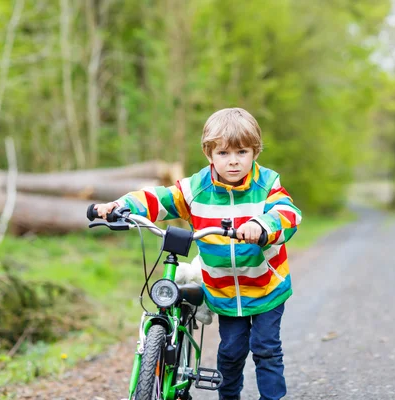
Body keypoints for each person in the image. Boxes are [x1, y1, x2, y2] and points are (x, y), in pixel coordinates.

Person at [94, 107, 301, 400]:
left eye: (241, 152)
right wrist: (121, 205)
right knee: (231, 352)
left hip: (266, 285)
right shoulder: (197, 189)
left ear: (255, 152)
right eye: (223, 153)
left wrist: (262, 224)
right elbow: (161, 198)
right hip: (225, 290)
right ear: (209, 154)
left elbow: (288, 213)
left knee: (266, 348)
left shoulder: (266, 185)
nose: (233, 161)